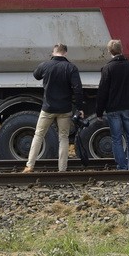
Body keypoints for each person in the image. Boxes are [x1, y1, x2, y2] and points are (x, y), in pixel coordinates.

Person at [22, 44, 84, 173]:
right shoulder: (71, 67)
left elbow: (36, 75)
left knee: (38, 135)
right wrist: (79, 108)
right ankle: (62, 169)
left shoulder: (46, 65)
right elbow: (78, 89)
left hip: (48, 108)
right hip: (64, 109)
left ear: (53, 52)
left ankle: (30, 166)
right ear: (65, 53)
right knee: (63, 138)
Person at [96, 39, 129, 170]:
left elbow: (102, 92)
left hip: (113, 109)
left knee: (116, 139)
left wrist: (99, 112)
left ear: (109, 51)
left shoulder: (107, 68)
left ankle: (121, 167)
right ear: (122, 49)